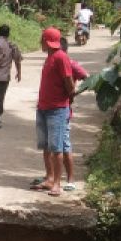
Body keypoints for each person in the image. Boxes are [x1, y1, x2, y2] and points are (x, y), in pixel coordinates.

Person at [31, 27, 75, 197]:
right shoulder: (49, 57)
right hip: (43, 108)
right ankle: (49, 178)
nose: (40, 42)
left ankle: (57, 183)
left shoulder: (61, 57)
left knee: (57, 148)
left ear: (46, 41)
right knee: (46, 146)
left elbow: (69, 83)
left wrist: (67, 101)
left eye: (42, 39)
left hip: (56, 110)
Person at [58, 36, 89, 190]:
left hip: (62, 110)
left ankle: (70, 180)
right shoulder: (50, 63)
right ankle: (50, 176)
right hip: (50, 110)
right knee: (51, 147)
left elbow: (88, 78)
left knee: (64, 145)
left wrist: (74, 93)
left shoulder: (71, 65)